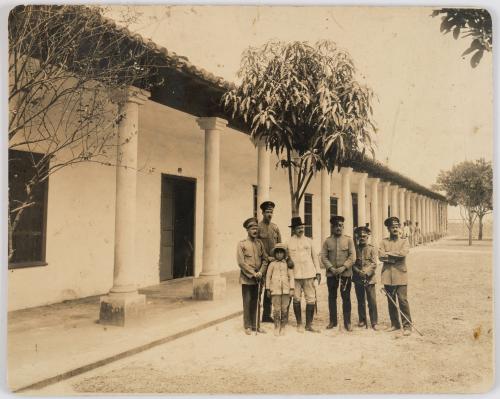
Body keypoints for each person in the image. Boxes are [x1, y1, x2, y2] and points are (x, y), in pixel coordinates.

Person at [320, 215, 356, 331]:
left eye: (340, 225)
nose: (338, 228)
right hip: (331, 275)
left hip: (345, 274)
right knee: (332, 297)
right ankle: (333, 321)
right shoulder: (327, 241)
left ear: (343, 226)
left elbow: (352, 256)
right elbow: (324, 257)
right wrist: (331, 268)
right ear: (332, 227)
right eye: (336, 226)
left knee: (346, 298)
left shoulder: (349, 240)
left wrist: (343, 267)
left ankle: (347, 322)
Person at [286, 217, 321, 333]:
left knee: (311, 299)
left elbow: (315, 257)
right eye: (298, 228)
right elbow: (286, 258)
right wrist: (288, 260)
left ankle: (309, 324)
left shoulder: (309, 241)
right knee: (296, 299)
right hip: (295, 275)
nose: (300, 229)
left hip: (309, 273)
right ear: (293, 230)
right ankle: (299, 324)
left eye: (302, 227)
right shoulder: (288, 242)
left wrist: (318, 272)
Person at [379, 216, 412, 336]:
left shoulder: (404, 241)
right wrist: (394, 258)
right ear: (388, 228)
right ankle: (395, 324)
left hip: (401, 274)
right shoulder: (384, 241)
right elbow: (380, 256)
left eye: (397, 227)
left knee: (402, 300)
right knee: (391, 301)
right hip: (387, 275)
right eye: (392, 227)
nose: (395, 229)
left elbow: (403, 254)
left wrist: (388, 255)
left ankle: (407, 326)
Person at [236, 217, 269, 335]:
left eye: (256, 228)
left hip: (258, 278)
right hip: (247, 278)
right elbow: (241, 263)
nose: (255, 230)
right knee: (247, 301)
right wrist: (253, 273)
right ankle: (247, 326)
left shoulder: (259, 243)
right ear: (247, 230)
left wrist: (261, 272)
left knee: (257, 301)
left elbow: (265, 259)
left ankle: (256, 325)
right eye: (252, 228)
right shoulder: (242, 244)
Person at [257, 201, 282, 323]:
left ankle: (266, 315)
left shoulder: (275, 227)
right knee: (259, 289)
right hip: (261, 263)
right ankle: (256, 316)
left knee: (270, 289)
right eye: (267, 212)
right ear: (262, 212)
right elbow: (256, 245)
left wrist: (277, 258)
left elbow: (279, 246)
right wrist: (266, 257)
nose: (269, 214)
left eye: (271, 212)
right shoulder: (257, 227)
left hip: (273, 263)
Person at [352, 226, 379, 330]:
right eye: (360, 236)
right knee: (361, 300)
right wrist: (359, 272)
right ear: (357, 237)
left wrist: (366, 272)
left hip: (370, 279)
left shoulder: (372, 248)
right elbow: (352, 263)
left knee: (372, 301)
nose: (362, 238)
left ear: (368, 237)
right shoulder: (354, 249)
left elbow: (374, 263)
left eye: (364, 236)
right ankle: (362, 320)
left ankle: (374, 322)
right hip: (358, 278)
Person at [265, 243, 294, 336]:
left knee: (284, 309)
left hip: (286, 290)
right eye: (277, 253)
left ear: (284, 254)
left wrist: (292, 288)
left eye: (281, 253)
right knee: (276, 309)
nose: (279, 255)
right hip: (275, 290)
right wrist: (268, 289)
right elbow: (268, 277)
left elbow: (291, 277)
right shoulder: (272, 264)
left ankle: (283, 326)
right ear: (275, 254)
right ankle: (276, 326)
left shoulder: (287, 264)